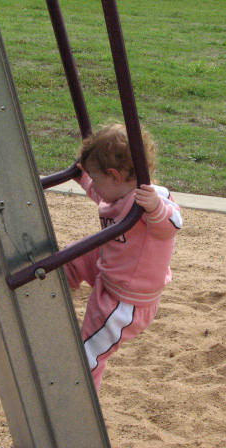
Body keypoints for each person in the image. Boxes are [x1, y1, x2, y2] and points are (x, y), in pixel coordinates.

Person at [65, 124, 183, 390]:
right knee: (71, 257)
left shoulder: (152, 198)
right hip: (108, 267)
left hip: (126, 301)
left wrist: (154, 208)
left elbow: (172, 225)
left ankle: (82, 401)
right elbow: (101, 195)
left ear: (115, 176)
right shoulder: (116, 193)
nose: (93, 186)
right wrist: (83, 177)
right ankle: (49, 289)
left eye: (96, 179)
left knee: (88, 353)